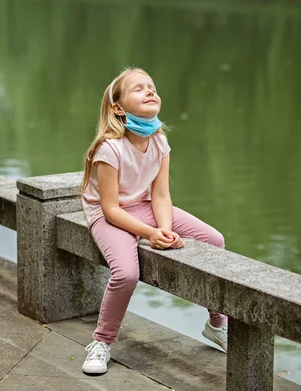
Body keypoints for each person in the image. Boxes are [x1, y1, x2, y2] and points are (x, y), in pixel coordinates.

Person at [80, 68, 228, 375]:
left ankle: (217, 324)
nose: (150, 91)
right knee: (126, 273)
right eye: (139, 89)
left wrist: (165, 230)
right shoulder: (109, 148)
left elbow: (160, 195)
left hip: (144, 206)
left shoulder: (159, 141)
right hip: (109, 215)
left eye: (152, 87)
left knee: (215, 240)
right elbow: (110, 209)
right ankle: (102, 342)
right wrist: (149, 232)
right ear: (118, 108)